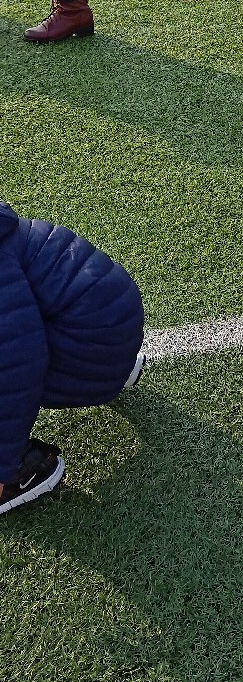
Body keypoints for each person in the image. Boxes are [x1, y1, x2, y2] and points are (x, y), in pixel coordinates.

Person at [0, 201, 145, 515]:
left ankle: (24, 470)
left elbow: (14, 369)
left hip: (94, 350)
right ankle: (116, 368)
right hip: (108, 329)